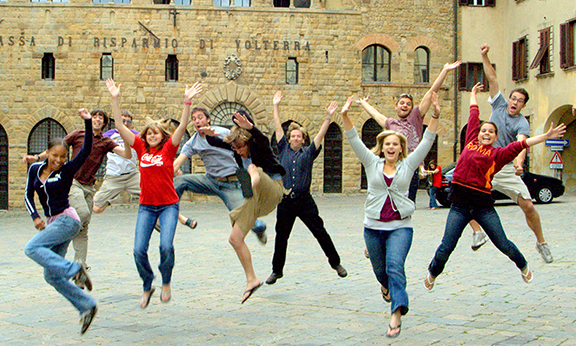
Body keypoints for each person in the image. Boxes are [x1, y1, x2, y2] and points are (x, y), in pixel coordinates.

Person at [424, 83, 566, 291]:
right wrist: (473, 93)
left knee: (503, 244)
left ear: (496, 138)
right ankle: (433, 272)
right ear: (478, 133)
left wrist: (545, 136)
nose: (486, 133)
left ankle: (523, 264)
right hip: (460, 208)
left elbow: (522, 145)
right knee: (446, 247)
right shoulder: (470, 141)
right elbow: (474, 114)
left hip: (483, 208)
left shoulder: (498, 155)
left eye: (491, 132)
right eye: (484, 130)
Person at [342, 91, 440, 338]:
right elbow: (353, 139)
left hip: (400, 227)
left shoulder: (408, 164)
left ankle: (396, 312)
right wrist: (344, 115)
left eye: (395, 144)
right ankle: (385, 287)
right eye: (388, 144)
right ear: (382, 146)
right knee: (380, 272)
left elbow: (427, 141)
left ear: (401, 148)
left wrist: (436, 116)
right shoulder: (371, 162)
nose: (391, 147)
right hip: (373, 228)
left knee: (395, 266)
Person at [106, 78, 203, 308]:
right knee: (138, 250)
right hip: (147, 207)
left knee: (165, 246)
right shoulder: (140, 148)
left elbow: (181, 127)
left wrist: (187, 102)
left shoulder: (169, 150)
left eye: (155, 133)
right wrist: (115, 99)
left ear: (162, 136)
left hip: (169, 205)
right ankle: (147, 282)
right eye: (148, 132)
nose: (151, 135)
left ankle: (166, 281)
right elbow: (120, 127)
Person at [470, 43, 553, 263]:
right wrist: (485, 56)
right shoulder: (498, 105)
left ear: (523, 106)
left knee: (528, 205)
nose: (515, 103)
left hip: (505, 167)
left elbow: (521, 144)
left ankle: (541, 242)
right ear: (509, 99)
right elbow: (493, 78)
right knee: (463, 196)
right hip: (484, 162)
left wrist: (519, 164)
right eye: (513, 98)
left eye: (520, 101)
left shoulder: (521, 123)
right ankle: (478, 232)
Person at [23, 108, 131, 270]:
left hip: (89, 186)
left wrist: (128, 139)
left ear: (104, 123)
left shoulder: (106, 141)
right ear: (91, 120)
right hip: (73, 182)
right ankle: (54, 234)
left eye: (100, 117)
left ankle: (79, 266)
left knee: (83, 227)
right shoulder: (77, 134)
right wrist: (37, 158)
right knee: (83, 213)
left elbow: (126, 155)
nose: (97, 119)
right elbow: (56, 149)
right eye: (94, 116)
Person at [24, 108, 97, 334]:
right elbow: (27, 195)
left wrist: (87, 123)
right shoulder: (35, 169)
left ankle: (75, 268)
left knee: (32, 247)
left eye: (62, 157)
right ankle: (86, 306)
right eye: (54, 155)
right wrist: (35, 216)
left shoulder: (66, 171)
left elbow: (85, 151)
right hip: (53, 222)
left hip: (68, 220)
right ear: (47, 153)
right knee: (50, 275)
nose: (58, 160)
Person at [266, 91, 347, 285]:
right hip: (285, 200)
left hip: (304, 200)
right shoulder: (283, 148)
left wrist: (328, 117)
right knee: (281, 236)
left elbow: (320, 135)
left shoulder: (309, 153)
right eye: (293, 135)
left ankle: (336, 263)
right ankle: (277, 271)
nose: (295, 138)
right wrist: (275, 106)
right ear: (289, 138)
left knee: (320, 231)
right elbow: (278, 127)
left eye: (298, 136)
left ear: (303, 139)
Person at [205, 110, 286, 304]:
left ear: (248, 142)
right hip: (256, 201)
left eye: (241, 147)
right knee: (235, 238)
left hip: (273, 189)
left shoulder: (259, 146)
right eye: (236, 148)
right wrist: (207, 135)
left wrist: (250, 128)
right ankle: (252, 279)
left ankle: (252, 178)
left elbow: (263, 139)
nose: (239, 151)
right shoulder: (236, 150)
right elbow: (219, 142)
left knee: (252, 168)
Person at [356, 61, 461, 202]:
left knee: (407, 205)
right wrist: (364, 103)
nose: (405, 105)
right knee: (391, 203)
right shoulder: (391, 123)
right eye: (402, 103)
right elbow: (376, 115)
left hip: (411, 168)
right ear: (396, 106)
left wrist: (445, 71)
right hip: (394, 168)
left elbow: (431, 93)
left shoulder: (416, 117)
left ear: (412, 108)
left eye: (408, 104)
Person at [172, 107, 267, 241]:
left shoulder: (223, 133)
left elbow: (245, 149)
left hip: (231, 183)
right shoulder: (193, 142)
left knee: (251, 222)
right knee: (180, 181)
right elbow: (176, 164)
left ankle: (260, 229)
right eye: (193, 119)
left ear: (208, 119)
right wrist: (162, 177)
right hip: (210, 181)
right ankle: (168, 212)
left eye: (200, 117)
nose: (197, 121)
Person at [92, 110, 140, 214]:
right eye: (123, 121)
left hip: (132, 175)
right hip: (114, 176)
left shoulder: (136, 135)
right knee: (97, 208)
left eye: (128, 122)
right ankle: (112, 198)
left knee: (153, 196)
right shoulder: (109, 134)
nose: (126, 124)